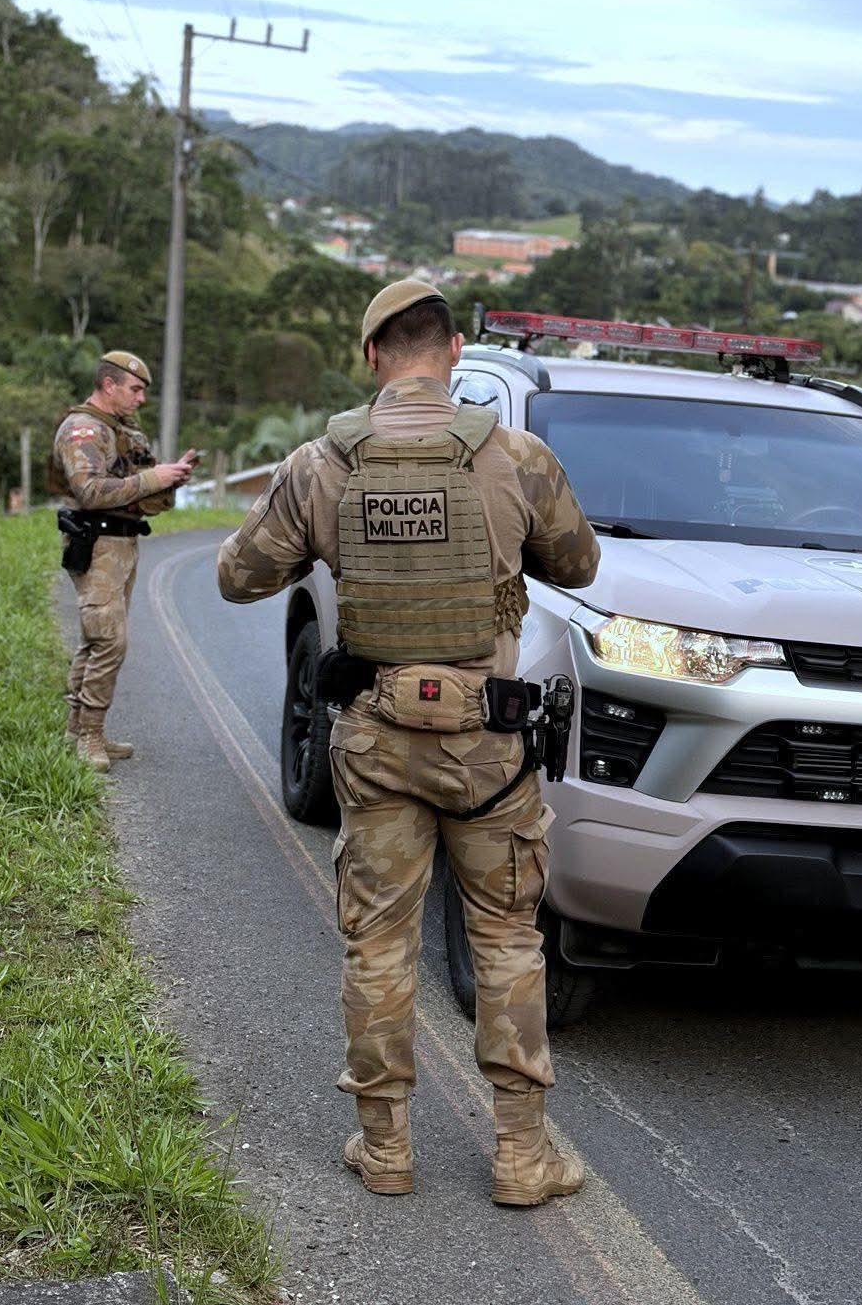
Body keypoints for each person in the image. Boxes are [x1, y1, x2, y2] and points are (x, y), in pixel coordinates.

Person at [216, 280, 600, 1206]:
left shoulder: (323, 463)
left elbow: (237, 577)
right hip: (487, 747)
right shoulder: (518, 454)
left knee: (378, 942)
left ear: (371, 356)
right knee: (508, 939)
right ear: (456, 349)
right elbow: (579, 564)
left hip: (378, 740)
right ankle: (521, 1158)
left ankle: (385, 1150)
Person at [53, 351, 196, 771]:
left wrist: (170, 476)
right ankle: (90, 737)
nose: (141, 399)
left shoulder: (119, 430)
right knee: (110, 642)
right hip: (96, 545)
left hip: (121, 545)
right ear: (109, 385)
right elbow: (90, 492)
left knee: (96, 640)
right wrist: (155, 478)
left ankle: (76, 730)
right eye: (135, 389)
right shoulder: (83, 429)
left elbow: (134, 489)